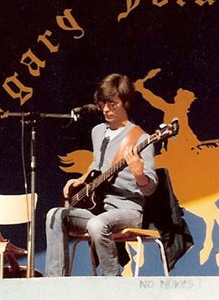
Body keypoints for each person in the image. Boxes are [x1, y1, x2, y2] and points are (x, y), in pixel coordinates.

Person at [45, 73, 158, 276]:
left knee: (97, 224)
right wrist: (81, 180)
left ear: (126, 103)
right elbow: (97, 164)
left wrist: (139, 174)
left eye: (112, 103)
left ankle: (110, 285)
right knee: (55, 215)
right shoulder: (98, 132)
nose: (105, 109)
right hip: (98, 209)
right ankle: (56, 283)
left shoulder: (141, 138)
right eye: (102, 103)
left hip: (129, 211)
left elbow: (150, 189)